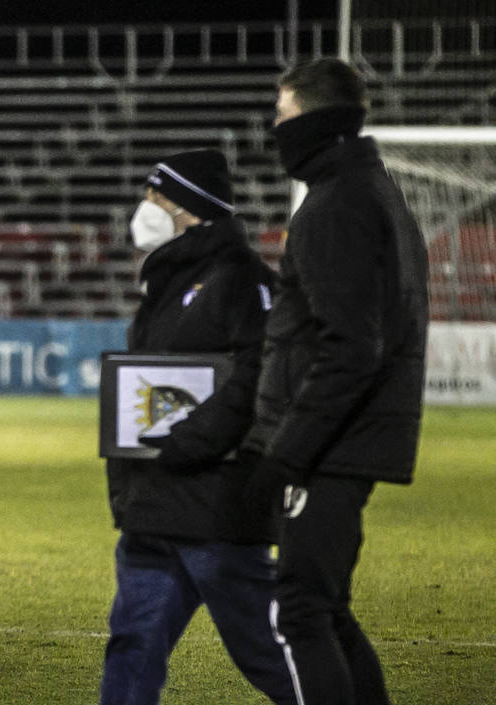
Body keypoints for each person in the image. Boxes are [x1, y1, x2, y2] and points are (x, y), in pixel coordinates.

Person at [242, 58, 428, 705]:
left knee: (300, 612)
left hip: (332, 445)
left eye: (285, 114)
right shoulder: (370, 191)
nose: (275, 127)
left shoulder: (335, 204)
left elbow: (350, 347)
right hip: (354, 438)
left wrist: (286, 451)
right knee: (327, 607)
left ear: (319, 119)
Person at [100, 150, 296, 705]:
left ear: (186, 206)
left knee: (271, 655)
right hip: (155, 507)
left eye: (155, 197)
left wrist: (187, 443)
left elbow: (258, 379)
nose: (144, 208)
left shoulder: (243, 280)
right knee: (132, 649)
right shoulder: (167, 281)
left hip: (216, 509)